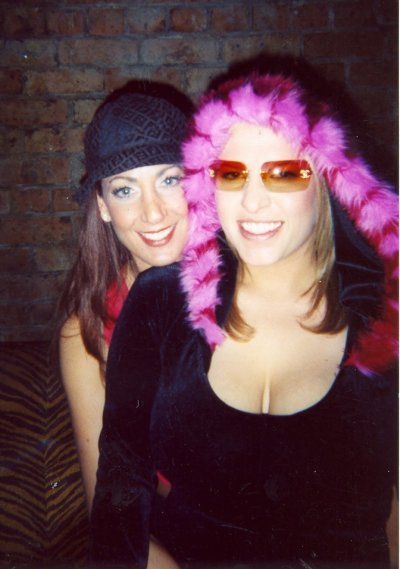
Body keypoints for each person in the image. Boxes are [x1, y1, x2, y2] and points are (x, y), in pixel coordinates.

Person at [89, 72, 398, 568]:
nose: (252, 201)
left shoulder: (385, 324)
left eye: (282, 173)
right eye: (231, 173)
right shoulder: (161, 300)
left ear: (327, 179)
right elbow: (120, 487)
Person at [57, 86, 190, 519]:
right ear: (103, 205)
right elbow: (112, 510)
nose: (153, 213)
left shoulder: (253, 288)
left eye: (169, 180)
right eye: (125, 190)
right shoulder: (87, 333)